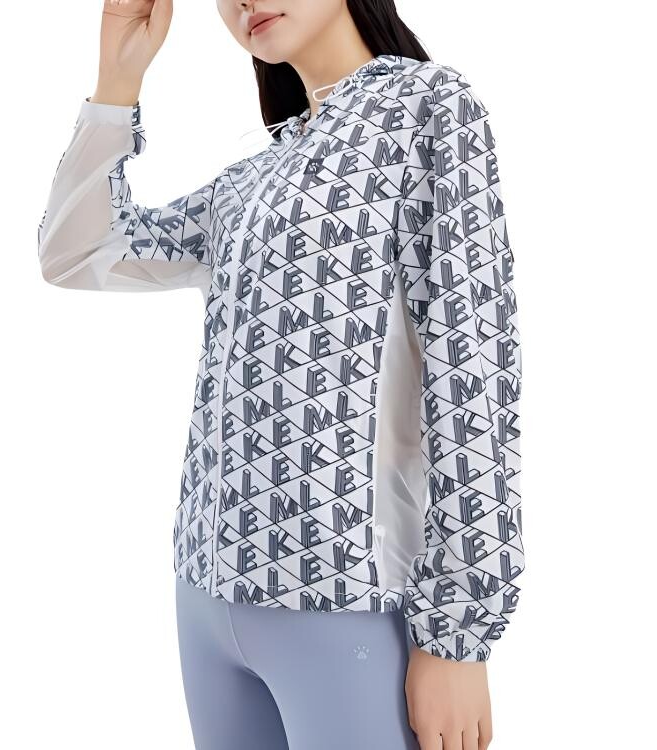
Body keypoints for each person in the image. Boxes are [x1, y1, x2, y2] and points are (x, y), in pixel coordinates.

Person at [37, 1, 524, 748]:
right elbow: (80, 250)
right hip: (205, 593)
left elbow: (474, 374)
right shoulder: (256, 174)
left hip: (343, 599)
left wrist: (458, 637)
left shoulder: (426, 108)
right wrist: (117, 80)